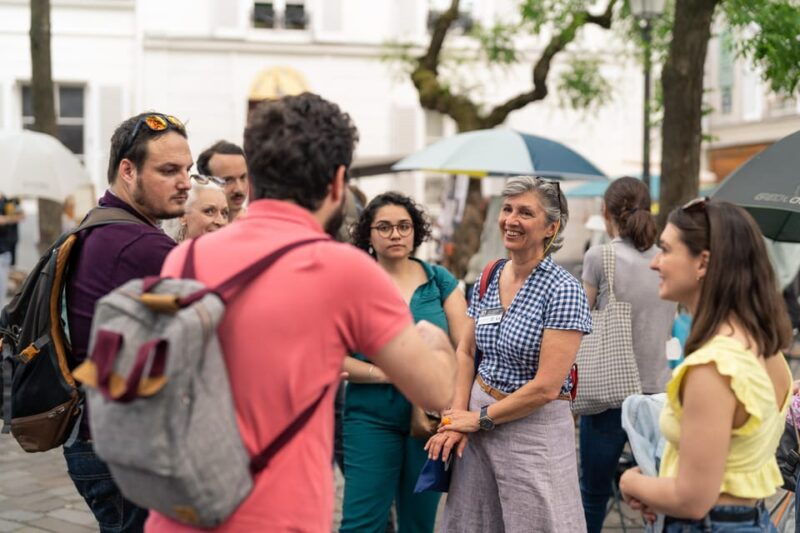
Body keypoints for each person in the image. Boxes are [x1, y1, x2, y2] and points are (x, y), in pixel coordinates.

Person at [146, 93, 456, 533]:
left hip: (183, 510)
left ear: (255, 177)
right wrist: (437, 341)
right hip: (278, 514)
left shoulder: (187, 257)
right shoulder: (346, 271)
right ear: (337, 184)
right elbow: (438, 391)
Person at [426, 175, 592, 532]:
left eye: (525, 213)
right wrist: (457, 418)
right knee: (473, 523)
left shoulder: (563, 290)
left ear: (551, 227)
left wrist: (480, 419)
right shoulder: (492, 274)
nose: (511, 220)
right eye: (507, 209)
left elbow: (547, 387)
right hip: (477, 422)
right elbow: (467, 350)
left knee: (538, 523)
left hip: (532, 431)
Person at [619, 199, 794, 532]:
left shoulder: (713, 366)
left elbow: (693, 498)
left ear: (702, 263)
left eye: (666, 250)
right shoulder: (762, 346)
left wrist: (631, 482)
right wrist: (660, 488)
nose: (655, 262)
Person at [64, 112, 191, 532]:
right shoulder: (143, 244)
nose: (185, 183)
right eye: (169, 170)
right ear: (128, 170)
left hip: (95, 436)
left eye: (187, 170)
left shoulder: (97, 225)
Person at [340, 192, 469, 533]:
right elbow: (333, 359)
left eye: (403, 226)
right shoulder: (352, 283)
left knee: (419, 524)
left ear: (415, 233)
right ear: (368, 234)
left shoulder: (439, 280)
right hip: (369, 419)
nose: (395, 234)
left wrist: (455, 411)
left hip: (430, 423)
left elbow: (465, 347)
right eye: (384, 227)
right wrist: (389, 373)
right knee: (360, 524)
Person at [579, 177, 677, 532]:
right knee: (662, 492)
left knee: (592, 492)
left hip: (608, 394)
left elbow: (579, 320)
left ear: (606, 213)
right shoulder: (667, 260)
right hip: (659, 395)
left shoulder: (599, 257)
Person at [162, 175, 229, 242]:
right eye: (209, 211)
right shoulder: (162, 250)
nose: (221, 222)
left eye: (224, 213)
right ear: (182, 215)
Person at [196, 140, 248, 221]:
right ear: (205, 182)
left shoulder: (261, 227)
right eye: (228, 180)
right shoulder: (187, 229)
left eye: (243, 177)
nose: (239, 189)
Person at [0, 195, 24, 301]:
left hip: (7, 249)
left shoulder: (11, 199)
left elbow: (22, 215)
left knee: (2, 288)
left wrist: (7, 219)